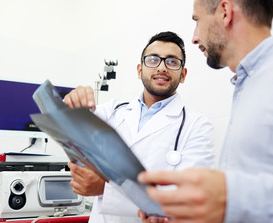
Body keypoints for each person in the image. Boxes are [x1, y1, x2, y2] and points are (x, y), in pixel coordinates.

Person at [138, 0, 273, 222]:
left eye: (197, 20)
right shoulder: (246, 86)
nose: (195, 37)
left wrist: (233, 198)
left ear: (225, 13)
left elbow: (239, 199)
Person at [64, 31, 215, 222]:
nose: (161, 67)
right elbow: (72, 136)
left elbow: (190, 199)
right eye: (153, 60)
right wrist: (73, 105)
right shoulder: (112, 111)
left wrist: (106, 189)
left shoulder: (197, 126)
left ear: (183, 74)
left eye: (172, 62)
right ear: (139, 69)